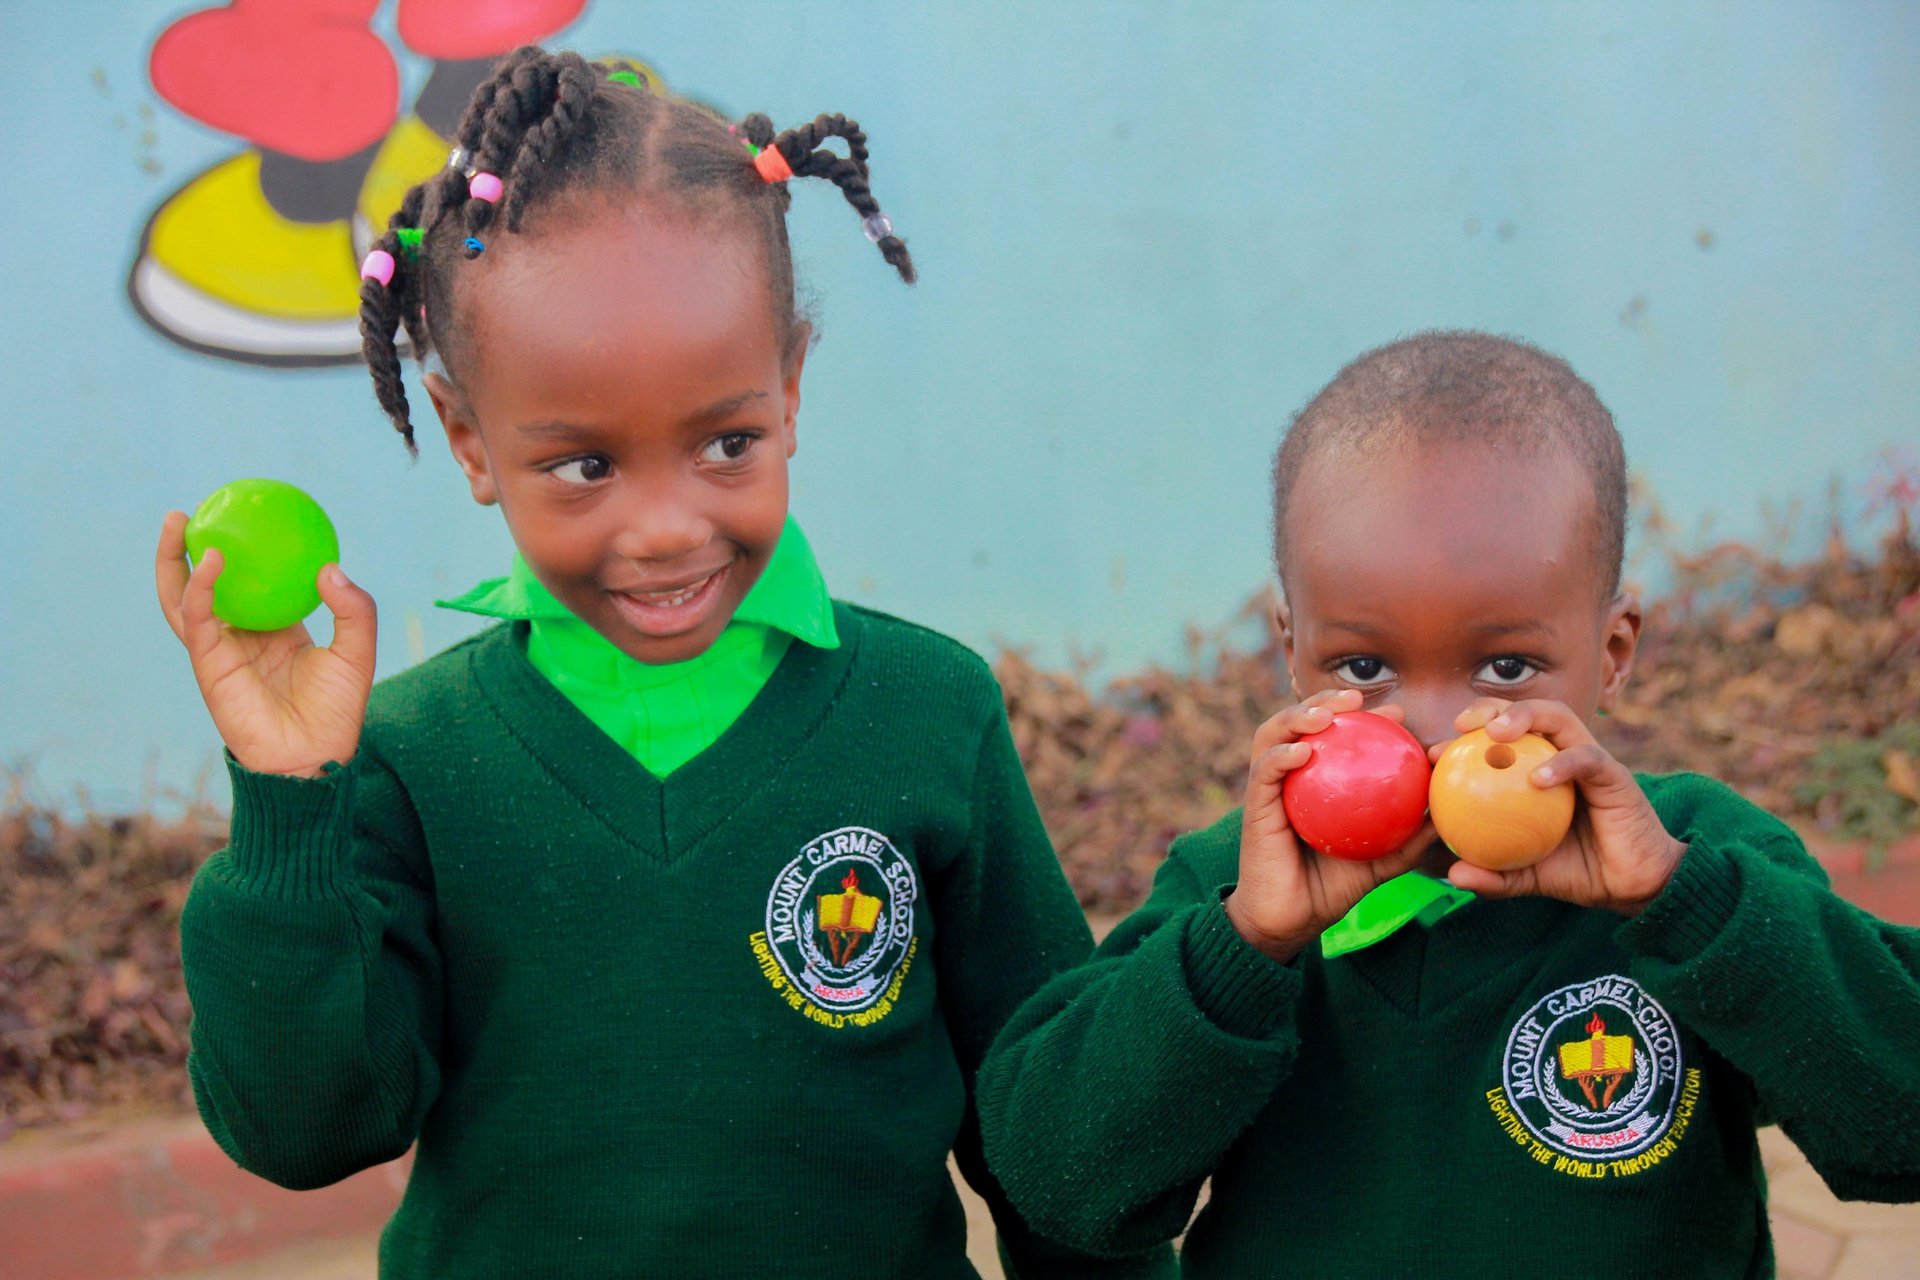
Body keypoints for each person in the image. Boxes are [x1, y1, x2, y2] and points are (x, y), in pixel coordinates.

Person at [155, 47, 1170, 1280]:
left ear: (792, 389)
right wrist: (288, 805)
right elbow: (308, 1130)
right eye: (583, 465)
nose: (666, 528)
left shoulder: (924, 712)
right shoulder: (409, 759)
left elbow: (1050, 1137)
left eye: (727, 442)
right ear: (472, 443)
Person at [976, 331, 1920, 1278]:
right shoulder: (1235, 891)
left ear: (1615, 650)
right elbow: (1062, 1184)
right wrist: (1243, 947)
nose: (1434, 735)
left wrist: (1681, 902)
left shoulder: (1697, 865)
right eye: (1364, 668)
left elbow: (1900, 1125)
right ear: (1290, 649)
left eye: (1505, 668)